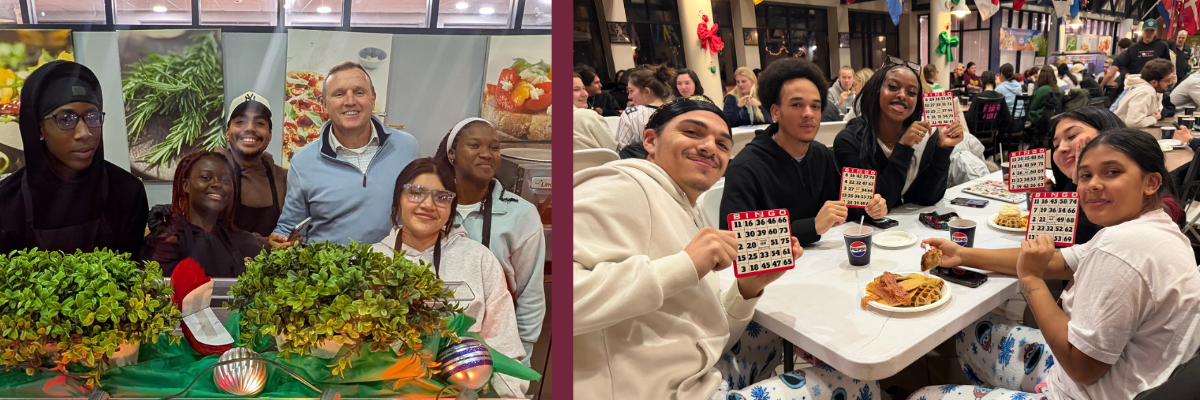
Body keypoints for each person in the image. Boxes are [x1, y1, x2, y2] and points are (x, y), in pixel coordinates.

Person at [573, 96, 877, 400]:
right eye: (692, 133)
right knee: (855, 380)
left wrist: (747, 289)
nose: (708, 147)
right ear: (650, 140)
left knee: (780, 331)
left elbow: (706, 329)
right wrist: (685, 264)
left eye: (722, 144)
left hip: (694, 374)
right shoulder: (623, 183)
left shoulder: (685, 207)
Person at [913, 129, 1200, 400]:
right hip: (1115, 374)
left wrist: (1032, 282)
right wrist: (963, 255)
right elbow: (1057, 261)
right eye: (1085, 175)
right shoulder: (1153, 227)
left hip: (1086, 389)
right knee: (968, 336)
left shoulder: (1124, 248)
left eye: (1112, 172)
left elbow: (1082, 367)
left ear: (1151, 182)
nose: (1094, 184)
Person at [371, 157, 527, 397]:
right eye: (416, 193)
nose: (428, 204)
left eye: (442, 197)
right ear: (398, 199)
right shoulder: (370, 262)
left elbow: (503, 344)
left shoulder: (479, 260)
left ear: (452, 207)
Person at [721, 58, 887, 246]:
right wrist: (813, 226)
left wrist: (868, 206)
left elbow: (838, 207)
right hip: (773, 274)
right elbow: (736, 242)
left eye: (815, 106)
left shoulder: (821, 154)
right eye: (796, 105)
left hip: (821, 264)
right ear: (775, 112)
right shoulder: (745, 169)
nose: (809, 113)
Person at [0, 61, 148, 257]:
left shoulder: (127, 192)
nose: (84, 133)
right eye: (66, 119)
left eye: (92, 117)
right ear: (38, 128)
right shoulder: (6, 203)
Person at [270, 62, 419, 247]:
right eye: (339, 94)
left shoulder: (407, 147)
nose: (350, 101)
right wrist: (280, 239)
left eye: (359, 92)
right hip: (328, 272)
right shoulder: (303, 162)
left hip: (392, 269)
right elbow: (289, 227)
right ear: (324, 104)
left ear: (373, 98)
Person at [435, 118, 545, 362]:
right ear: (451, 153)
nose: (486, 154)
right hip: (431, 342)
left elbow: (530, 293)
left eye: (494, 148)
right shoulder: (429, 207)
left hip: (496, 346)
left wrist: (521, 352)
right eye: (474, 146)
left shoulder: (520, 214)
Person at [833, 57, 965, 210]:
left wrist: (943, 148)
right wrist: (903, 147)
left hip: (912, 230)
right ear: (876, 90)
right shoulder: (850, 141)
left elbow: (928, 197)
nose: (902, 95)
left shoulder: (925, 136)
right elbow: (863, 209)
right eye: (893, 87)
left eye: (912, 92)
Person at [144, 151, 263, 277]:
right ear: (186, 185)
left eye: (225, 180)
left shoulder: (245, 242)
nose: (217, 184)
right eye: (206, 178)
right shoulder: (167, 240)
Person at [1048, 106, 1125, 244]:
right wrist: (1051, 197)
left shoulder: (1120, 189)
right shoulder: (1070, 183)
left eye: (1072, 136)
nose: (1062, 149)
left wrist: (1081, 177)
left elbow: (1060, 244)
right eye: (1056, 145)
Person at [216, 92, 287, 241]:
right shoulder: (211, 176)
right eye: (240, 121)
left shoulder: (284, 178)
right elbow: (210, 235)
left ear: (269, 135)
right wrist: (264, 243)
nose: (250, 128)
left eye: (259, 123)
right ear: (227, 133)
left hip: (273, 263)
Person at [615, 64, 672, 150]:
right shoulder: (678, 112)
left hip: (642, 162)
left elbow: (623, 151)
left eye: (631, 91)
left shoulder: (630, 115)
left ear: (646, 92)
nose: (629, 97)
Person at [1102, 20, 1170, 89]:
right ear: (1142, 31)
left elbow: (1168, 66)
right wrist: (1125, 74)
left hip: (1154, 85)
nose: (1148, 33)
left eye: (1151, 31)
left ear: (1155, 32)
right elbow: (1123, 66)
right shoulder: (1133, 48)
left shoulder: (1162, 46)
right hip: (1135, 84)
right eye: (1146, 31)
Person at [1113, 58, 1173, 128]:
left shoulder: (1156, 89)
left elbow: (1157, 112)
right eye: (1167, 80)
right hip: (1117, 133)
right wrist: (1153, 118)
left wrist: (1155, 116)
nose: (1170, 83)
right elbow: (1133, 123)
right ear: (1154, 82)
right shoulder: (1145, 92)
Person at [574, 73, 617, 151]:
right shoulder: (587, 116)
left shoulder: (546, 121)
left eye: (583, 89)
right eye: (576, 90)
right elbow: (613, 148)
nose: (585, 94)